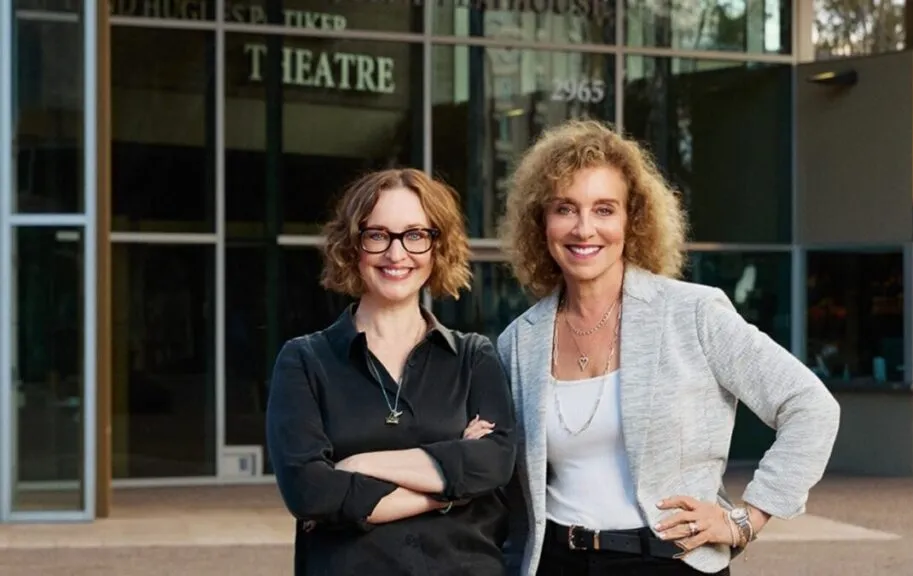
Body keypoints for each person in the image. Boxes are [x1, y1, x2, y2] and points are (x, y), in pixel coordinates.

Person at [496, 120, 840, 576]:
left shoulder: (692, 313)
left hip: (669, 562)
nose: (584, 228)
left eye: (604, 209)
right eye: (565, 209)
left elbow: (811, 406)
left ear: (632, 220)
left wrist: (746, 519)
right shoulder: (519, 340)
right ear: (541, 222)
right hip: (556, 563)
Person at [265, 168, 517, 576]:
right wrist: (451, 489)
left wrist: (359, 464)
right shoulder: (305, 362)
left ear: (437, 246)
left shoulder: (474, 357)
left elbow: (494, 463)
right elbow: (310, 492)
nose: (396, 254)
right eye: (378, 235)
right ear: (353, 245)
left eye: (415, 235)